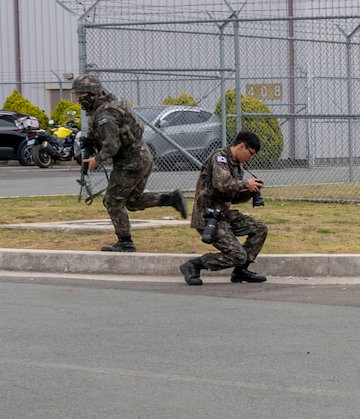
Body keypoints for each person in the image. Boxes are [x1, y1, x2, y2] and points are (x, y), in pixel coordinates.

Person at [74, 72, 186, 252]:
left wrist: (96, 159)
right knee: (133, 201)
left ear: (93, 94)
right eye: (77, 96)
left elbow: (112, 145)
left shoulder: (105, 115)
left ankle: (125, 242)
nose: (79, 100)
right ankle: (171, 199)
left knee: (112, 201)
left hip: (131, 162)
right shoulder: (111, 104)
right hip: (142, 157)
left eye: (81, 96)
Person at [180, 130, 270, 285]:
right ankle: (194, 265)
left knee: (260, 229)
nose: (250, 158)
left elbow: (233, 197)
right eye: (251, 153)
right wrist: (245, 184)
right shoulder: (219, 158)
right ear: (242, 146)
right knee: (238, 255)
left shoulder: (236, 166)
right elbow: (222, 185)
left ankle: (241, 271)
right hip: (208, 216)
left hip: (223, 214)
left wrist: (250, 191)